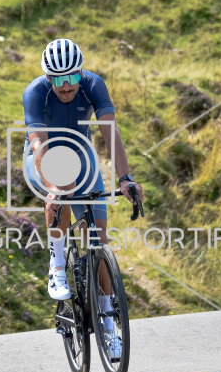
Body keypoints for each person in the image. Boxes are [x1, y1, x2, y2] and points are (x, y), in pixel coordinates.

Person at [23, 39, 144, 305]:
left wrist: (126, 179)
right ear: (48, 77)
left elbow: (110, 132)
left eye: (73, 76)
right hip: (42, 155)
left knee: (98, 238)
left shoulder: (93, 85)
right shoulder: (35, 92)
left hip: (80, 154)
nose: (67, 86)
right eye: (58, 79)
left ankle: (107, 315)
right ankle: (56, 266)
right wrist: (52, 187)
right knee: (63, 182)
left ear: (81, 71)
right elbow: (39, 143)